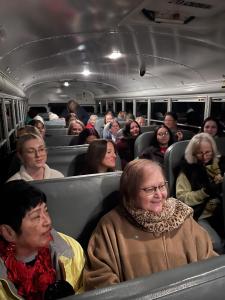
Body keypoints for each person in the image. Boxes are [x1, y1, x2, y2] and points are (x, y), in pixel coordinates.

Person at [84, 159, 217, 290]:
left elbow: (210, 264)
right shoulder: (110, 226)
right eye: (149, 189)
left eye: (162, 186)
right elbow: (100, 280)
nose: (159, 194)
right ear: (131, 192)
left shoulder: (182, 217)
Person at [0, 180, 85, 299]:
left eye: (46, 210)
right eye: (36, 217)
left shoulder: (71, 250)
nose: (48, 221)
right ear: (8, 232)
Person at [176, 133, 225, 253]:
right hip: (201, 214)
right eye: (199, 153)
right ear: (193, 153)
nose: (204, 157)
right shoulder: (186, 170)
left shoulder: (220, 165)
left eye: (208, 152)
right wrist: (204, 192)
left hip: (220, 210)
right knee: (218, 245)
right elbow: (182, 198)